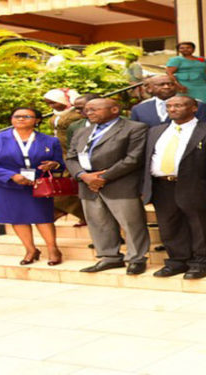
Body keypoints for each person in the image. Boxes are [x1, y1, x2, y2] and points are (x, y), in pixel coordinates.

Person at [66, 99, 150, 275]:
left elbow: (133, 158)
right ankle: (109, 257)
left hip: (120, 183)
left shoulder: (135, 128)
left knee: (131, 224)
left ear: (114, 109)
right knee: (98, 223)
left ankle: (136, 258)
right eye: (87, 110)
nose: (89, 113)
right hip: (88, 185)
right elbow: (71, 158)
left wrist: (103, 177)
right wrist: (84, 176)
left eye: (94, 109)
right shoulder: (82, 131)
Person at [142, 96, 206, 279]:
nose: (173, 109)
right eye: (169, 106)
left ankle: (201, 262)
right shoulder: (156, 131)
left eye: (178, 105)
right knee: (169, 224)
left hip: (196, 184)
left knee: (201, 224)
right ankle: (178, 260)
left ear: (194, 108)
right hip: (162, 185)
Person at [0, 107, 65, 266]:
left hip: (37, 185)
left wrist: (54, 165)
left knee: (43, 216)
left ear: (37, 120)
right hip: (5, 185)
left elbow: (60, 165)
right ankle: (30, 249)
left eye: (26, 116)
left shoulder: (50, 141)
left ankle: (53, 249)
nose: (20, 119)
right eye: (16, 116)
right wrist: (12, 176)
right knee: (17, 217)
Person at [44, 88, 87, 227]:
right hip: (61, 153)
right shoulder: (57, 114)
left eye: (53, 103)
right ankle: (81, 214)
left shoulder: (76, 114)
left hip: (74, 151)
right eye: (48, 103)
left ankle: (77, 213)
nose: (51, 106)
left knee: (67, 187)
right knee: (64, 186)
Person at [131, 75, 206, 127]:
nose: (167, 87)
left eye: (170, 84)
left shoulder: (195, 105)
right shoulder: (139, 109)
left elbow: (204, 131)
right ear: (149, 89)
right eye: (161, 84)